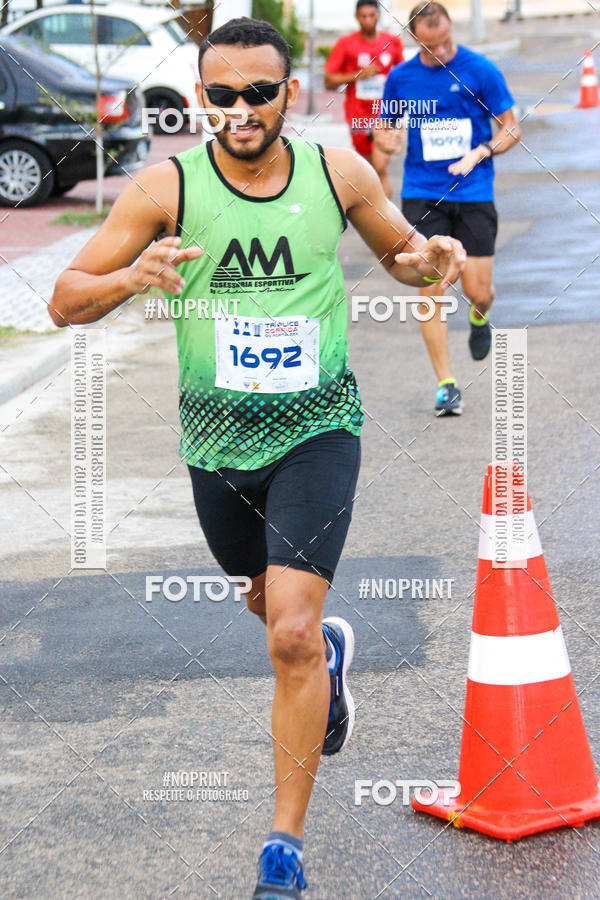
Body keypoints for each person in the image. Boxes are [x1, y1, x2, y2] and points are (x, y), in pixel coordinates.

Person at [49, 17, 465, 898]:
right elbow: (63, 298)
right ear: (203, 96)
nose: (241, 109)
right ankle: (329, 656)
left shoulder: (334, 171)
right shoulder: (167, 188)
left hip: (318, 428)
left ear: (286, 92)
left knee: (287, 633)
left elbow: (402, 255)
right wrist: (132, 278)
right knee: (267, 607)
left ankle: (285, 844)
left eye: (260, 92)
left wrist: (433, 258)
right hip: (214, 444)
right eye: (222, 93)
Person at [377, 1, 521, 415]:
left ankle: (479, 317)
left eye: (444, 42)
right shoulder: (401, 78)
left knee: (479, 291)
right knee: (431, 288)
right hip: (423, 193)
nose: (439, 51)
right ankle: (446, 383)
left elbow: (511, 127)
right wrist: (386, 139)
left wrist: (481, 151)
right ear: (415, 38)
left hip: (474, 191)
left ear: (450, 29)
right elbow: (385, 126)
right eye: (430, 45)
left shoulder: (480, 70)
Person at [324, 0, 404, 197]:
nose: (368, 20)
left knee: (380, 166)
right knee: (369, 169)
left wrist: (392, 83)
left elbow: (403, 75)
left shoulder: (392, 42)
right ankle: (375, 216)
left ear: (379, 15)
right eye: (363, 16)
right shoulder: (346, 44)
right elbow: (329, 81)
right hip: (358, 115)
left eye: (372, 15)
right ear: (356, 17)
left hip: (385, 114)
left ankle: (387, 219)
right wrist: (357, 75)